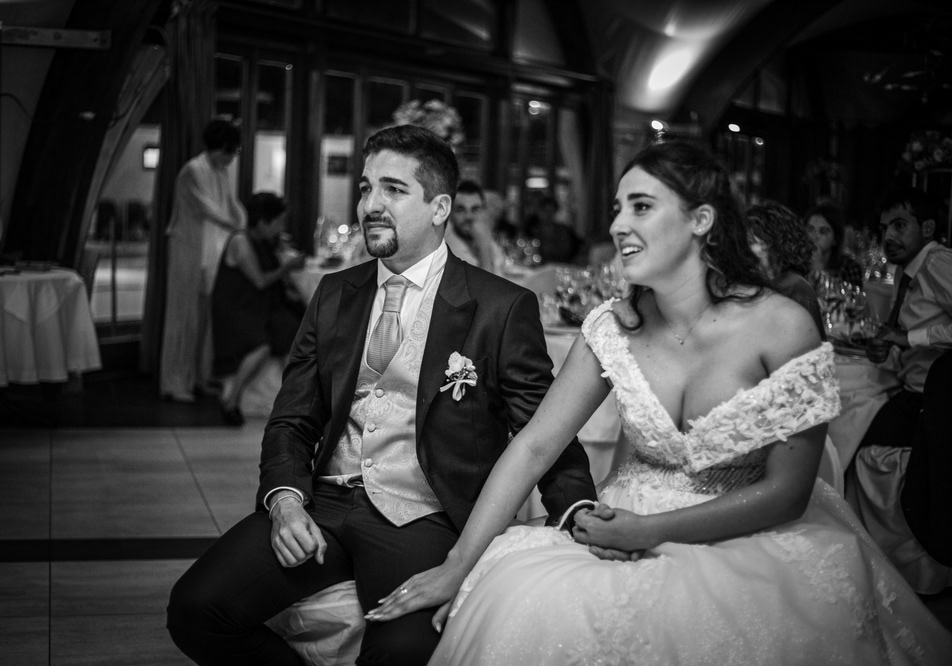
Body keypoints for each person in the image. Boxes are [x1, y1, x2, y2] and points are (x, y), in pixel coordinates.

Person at [363, 142, 952, 665]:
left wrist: (650, 531)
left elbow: (787, 491)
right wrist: (458, 564)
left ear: (701, 220)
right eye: (617, 208)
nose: (619, 224)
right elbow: (534, 446)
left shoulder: (783, 326)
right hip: (621, 519)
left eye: (641, 206)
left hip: (751, 537)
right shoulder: (612, 327)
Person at [166, 124, 596, 665]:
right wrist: (285, 501)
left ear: (439, 208)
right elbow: (291, 420)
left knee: (402, 653)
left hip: (425, 516)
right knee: (195, 609)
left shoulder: (499, 307)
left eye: (393, 189)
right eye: (367, 187)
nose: (371, 204)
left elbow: (544, 431)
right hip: (322, 504)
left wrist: (577, 510)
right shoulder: (333, 294)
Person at [857, 187, 952, 567]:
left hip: (936, 401)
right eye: (884, 229)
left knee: (856, 438)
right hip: (914, 388)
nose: (889, 237)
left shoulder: (938, 263)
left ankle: (902, 560)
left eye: (899, 225)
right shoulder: (906, 271)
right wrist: (890, 349)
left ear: (927, 228)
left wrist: (908, 338)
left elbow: (916, 333)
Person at [160, 119, 247, 403]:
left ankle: (199, 377)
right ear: (219, 147)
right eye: (231, 151)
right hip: (188, 249)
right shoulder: (192, 170)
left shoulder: (220, 170)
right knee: (183, 315)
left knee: (204, 319)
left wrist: (242, 223)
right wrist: (237, 226)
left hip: (210, 251)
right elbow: (208, 209)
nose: (232, 157)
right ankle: (174, 382)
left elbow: (231, 204)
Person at [210, 192, 306, 426]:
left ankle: (294, 400)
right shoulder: (240, 241)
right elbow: (260, 281)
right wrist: (287, 267)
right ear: (262, 223)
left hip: (256, 306)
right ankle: (232, 400)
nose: (281, 227)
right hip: (236, 309)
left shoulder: (261, 241)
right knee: (262, 347)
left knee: (296, 329)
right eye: (278, 222)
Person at [745, 200, 826, 339]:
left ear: (773, 245)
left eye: (752, 242)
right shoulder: (757, 282)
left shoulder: (796, 289)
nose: (744, 250)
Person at [443, 180, 507, 275]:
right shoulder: (446, 248)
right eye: (461, 210)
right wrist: (483, 247)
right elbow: (484, 283)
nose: (469, 216)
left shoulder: (480, 234)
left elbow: (501, 268)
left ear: (484, 211)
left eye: (475, 209)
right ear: (450, 213)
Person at [805, 201, 864, 288]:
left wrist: (819, 271)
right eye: (810, 229)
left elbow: (846, 296)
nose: (815, 237)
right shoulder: (796, 264)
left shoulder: (850, 268)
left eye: (823, 232)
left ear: (836, 239)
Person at [523, 193, 581, 263]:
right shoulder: (531, 230)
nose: (547, 214)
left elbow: (565, 252)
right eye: (544, 210)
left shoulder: (562, 230)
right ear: (538, 211)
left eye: (550, 211)